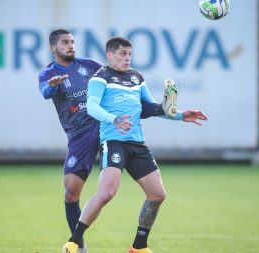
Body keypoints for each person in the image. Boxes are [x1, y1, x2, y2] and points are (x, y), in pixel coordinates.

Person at [61, 37, 207, 253]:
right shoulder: (100, 77)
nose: (127, 58)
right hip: (114, 142)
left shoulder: (136, 77)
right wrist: (114, 119)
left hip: (137, 144)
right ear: (109, 55)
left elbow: (148, 108)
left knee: (158, 195)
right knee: (106, 194)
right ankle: (74, 242)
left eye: (129, 54)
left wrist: (180, 115)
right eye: (122, 54)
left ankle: (139, 246)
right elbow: (91, 107)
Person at [38, 29, 175, 253]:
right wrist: (53, 85)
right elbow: (44, 91)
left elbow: (113, 77)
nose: (71, 45)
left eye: (72, 41)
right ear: (53, 47)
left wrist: (170, 111)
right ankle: (78, 244)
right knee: (71, 192)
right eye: (65, 42)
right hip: (80, 133)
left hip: (106, 127)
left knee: (134, 192)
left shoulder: (89, 66)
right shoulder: (49, 73)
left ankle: (132, 245)